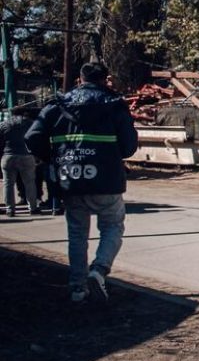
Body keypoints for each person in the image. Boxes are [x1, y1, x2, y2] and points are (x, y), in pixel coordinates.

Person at [26, 62, 138, 304]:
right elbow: (129, 147)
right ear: (105, 80)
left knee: (77, 234)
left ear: (80, 79)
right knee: (112, 226)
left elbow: (32, 136)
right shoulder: (114, 105)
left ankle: (78, 288)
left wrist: (52, 157)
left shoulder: (57, 105)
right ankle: (99, 270)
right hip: (107, 179)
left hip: (71, 178)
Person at [1, 105, 41, 217]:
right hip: (26, 155)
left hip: (8, 155)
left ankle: (10, 209)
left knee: (8, 184)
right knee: (30, 183)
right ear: (24, 113)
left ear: (11, 113)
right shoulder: (31, 123)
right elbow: (36, 138)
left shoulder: (4, 124)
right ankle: (33, 208)